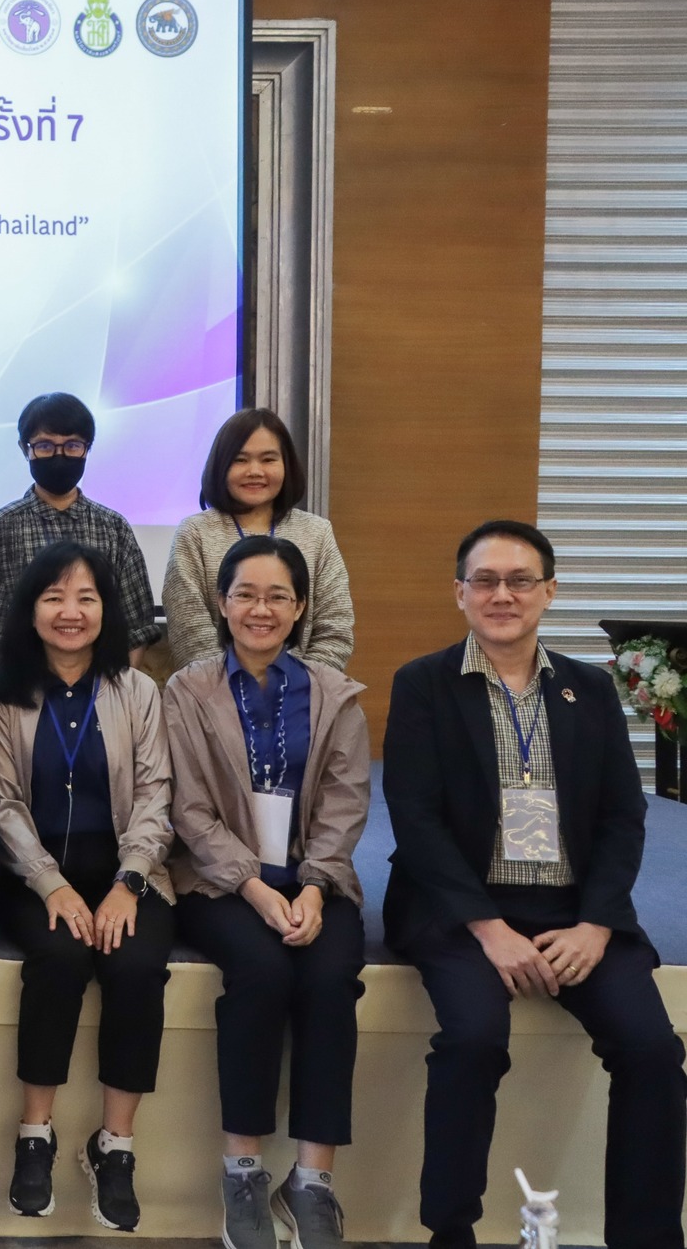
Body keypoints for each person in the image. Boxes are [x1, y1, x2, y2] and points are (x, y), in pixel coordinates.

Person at [384, 520, 686, 1249]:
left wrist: (597, 924)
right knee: (473, 1038)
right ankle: (451, 1231)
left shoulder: (590, 688)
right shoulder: (423, 683)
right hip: (462, 909)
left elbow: (622, 816)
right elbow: (415, 819)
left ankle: (646, 1238)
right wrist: (488, 929)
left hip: (573, 910)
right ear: (460, 593)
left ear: (549, 591)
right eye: (485, 580)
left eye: (521, 580)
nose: (503, 594)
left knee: (652, 1049)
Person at [164, 534, 368, 1249]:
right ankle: (243, 1172)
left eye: (278, 595)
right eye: (245, 594)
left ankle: (312, 1180)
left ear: (301, 606)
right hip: (218, 882)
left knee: (332, 977)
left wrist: (313, 888)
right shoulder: (187, 690)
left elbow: (346, 801)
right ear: (221, 604)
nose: (261, 608)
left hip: (315, 880)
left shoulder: (334, 693)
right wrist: (252, 885)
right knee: (259, 970)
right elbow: (188, 810)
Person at [0, 542, 174, 1231]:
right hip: (33, 876)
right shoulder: (2, 692)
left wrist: (129, 881)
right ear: (31, 611)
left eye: (86, 598)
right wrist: (50, 885)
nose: (71, 611)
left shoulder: (137, 690)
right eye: (54, 597)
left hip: (127, 870)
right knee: (59, 958)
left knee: (137, 964)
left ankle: (115, 1145)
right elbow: (2, 803)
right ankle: (35, 1134)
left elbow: (155, 793)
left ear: (106, 610)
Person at [0, 393, 162, 670]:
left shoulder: (114, 528)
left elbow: (137, 629)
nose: (59, 456)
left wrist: (113, 686)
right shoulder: (2, 527)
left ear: (87, 448)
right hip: (23, 686)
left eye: (72, 445)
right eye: (45, 446)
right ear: (24, 448)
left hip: (104, 684)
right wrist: (31, 684)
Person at [162, 408, 354, 673]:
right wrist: (232, 686)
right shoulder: (195, 533)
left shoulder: (317, 533)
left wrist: (297, 685)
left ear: (286, 465)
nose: (255, 471)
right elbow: (190, 632)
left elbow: (336, 628)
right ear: (220, 465)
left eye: (268, 459)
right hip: (213, 691)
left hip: (305, 691)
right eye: (240, 460)